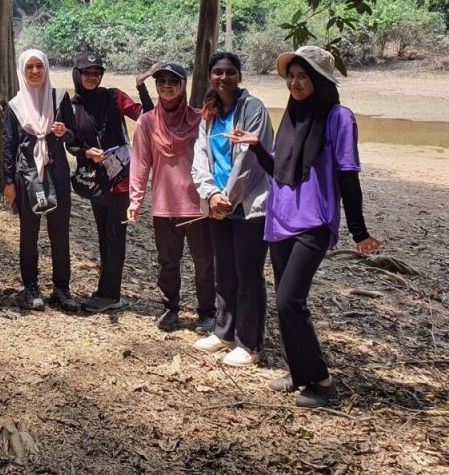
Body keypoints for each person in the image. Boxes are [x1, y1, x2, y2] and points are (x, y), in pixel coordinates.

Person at [227, 46, 382, 408]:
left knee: (289, 301)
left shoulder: (339, 118)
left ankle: (321, 380)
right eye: (291, 77)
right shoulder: (292, 117)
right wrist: (257, 148)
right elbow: (280, 171)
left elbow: (348, 176)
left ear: (321, 80)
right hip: (280, 219)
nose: (295, 83)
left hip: (314, 221)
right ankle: (298, 372)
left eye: (303, 77)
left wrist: (359, 231)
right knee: (287, 300)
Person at [191, 52, 273, 367]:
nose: (223, 78)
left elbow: (250, 161)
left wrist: (227, 198)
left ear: (239, 75)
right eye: (217, 72)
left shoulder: (253, 109)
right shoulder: (209, 112)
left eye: (230, 72)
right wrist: (211, 194)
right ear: (210, 76)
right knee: (223, 269)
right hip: (218, 204)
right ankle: (224, 332)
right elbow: (200, 155)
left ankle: (249, 343)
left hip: (249, 204)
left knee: (248, 273)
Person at [59, 50, 156, 313]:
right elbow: (71, 142)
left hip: (121, 179)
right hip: (95, 181)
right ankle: (108, 289)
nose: (92, 77)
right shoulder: (73, 107)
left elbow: (147, 117)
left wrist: (141, 86)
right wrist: (85, 152)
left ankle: (109, 294)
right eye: (87, 73)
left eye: (96, 73)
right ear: (77, 74)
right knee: (104, 236)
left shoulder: (114, 97)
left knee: (115, 236)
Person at [127, 62, 216, 334]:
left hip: (198, 205)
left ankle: (207, 312)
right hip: (165, 206)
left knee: (204, 262)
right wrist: (135, 200)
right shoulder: (147, 122)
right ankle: (170, 308)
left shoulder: (200, 119)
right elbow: (140, 163)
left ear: (183, 85)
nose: (166, 86)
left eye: (172, 81)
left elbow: (216, 157)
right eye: (161, 81)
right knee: (167, 262)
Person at [3, 49, 76, 311]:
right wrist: (9, 182)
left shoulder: (59, 98)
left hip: (57, 174)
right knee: (29, 232)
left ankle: (61, 288)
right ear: (22, 71)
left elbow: (74, 137)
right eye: (29, 67)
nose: (35, 71)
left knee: (60, 232)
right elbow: (9, 145)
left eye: (39, 66)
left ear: (46, 68)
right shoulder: (15, 105)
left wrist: (64, 132)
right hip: (28, 177)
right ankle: (30, 287)